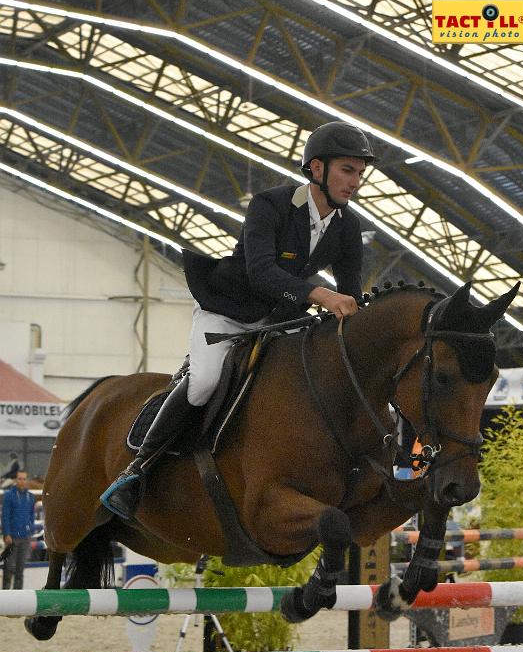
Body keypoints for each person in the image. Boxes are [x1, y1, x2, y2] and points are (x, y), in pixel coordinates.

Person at [101, 120, 375, 520]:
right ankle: (137, 470)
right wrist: (320, 294)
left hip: (282, 320)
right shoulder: (272, 205)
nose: (355, 182)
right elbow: (261, 272)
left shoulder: (348, 227)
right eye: (347, 170)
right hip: (229, 312)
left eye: (359, 174)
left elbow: (352, 294)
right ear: (317, 169)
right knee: (204, 383)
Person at [2, 469, 35, 589]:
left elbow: (32, 515)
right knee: (8, 569)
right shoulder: (8, 496)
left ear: (27, 480)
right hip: (12, 538)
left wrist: (30, 528)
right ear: (16, 480)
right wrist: (6, 534)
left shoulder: (30, 497)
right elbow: (5, 516)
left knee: (20, 570)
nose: (22, 481)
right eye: (20, 479)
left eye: (24, 479)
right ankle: (5, 598)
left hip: (25, 538)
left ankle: (18, 600)